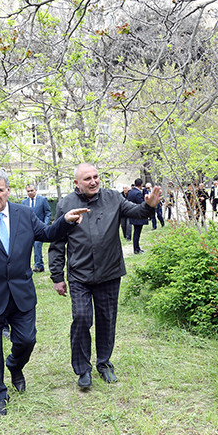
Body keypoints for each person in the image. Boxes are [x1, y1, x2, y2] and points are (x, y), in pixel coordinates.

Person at [0, 168, 89, 416]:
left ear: (8, 191)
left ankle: (15, 365)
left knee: (27, 339)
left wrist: (65, 221)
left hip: (21, 292)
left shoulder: (23, 213)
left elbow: (46, 234)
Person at [48, 164, 161, 389]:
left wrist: (148, 207)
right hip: (79, 274)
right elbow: (57, 241)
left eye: (96, 177)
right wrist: (57, 276)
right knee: (81, 318)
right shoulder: (67, 204)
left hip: (109, 272)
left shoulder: (113, 198)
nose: (93, 181)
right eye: (87, 178)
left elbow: (135, 212)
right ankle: (83, 370)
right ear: (77, 183)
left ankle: (104, 363)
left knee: (107, 320)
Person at [22, 184, 51, 273]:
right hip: (28, 229)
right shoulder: (24, 202)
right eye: (28, 191)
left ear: (36, 190)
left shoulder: (43, 200)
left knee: (38, 246)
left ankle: (39, 266)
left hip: (39, 228)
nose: (30, 192)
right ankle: (24, 266)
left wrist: (45, 224)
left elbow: (48, 213)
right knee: (26, 248)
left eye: (32, 190)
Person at [126, 178, 149, 254]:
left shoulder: (131, 192)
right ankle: (136, 249)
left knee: (136, 232)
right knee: (137, 233)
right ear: (141, 185)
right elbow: (141, 204)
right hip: (138, 216)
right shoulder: (138, 193)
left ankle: (137, 248)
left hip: (133, 214)